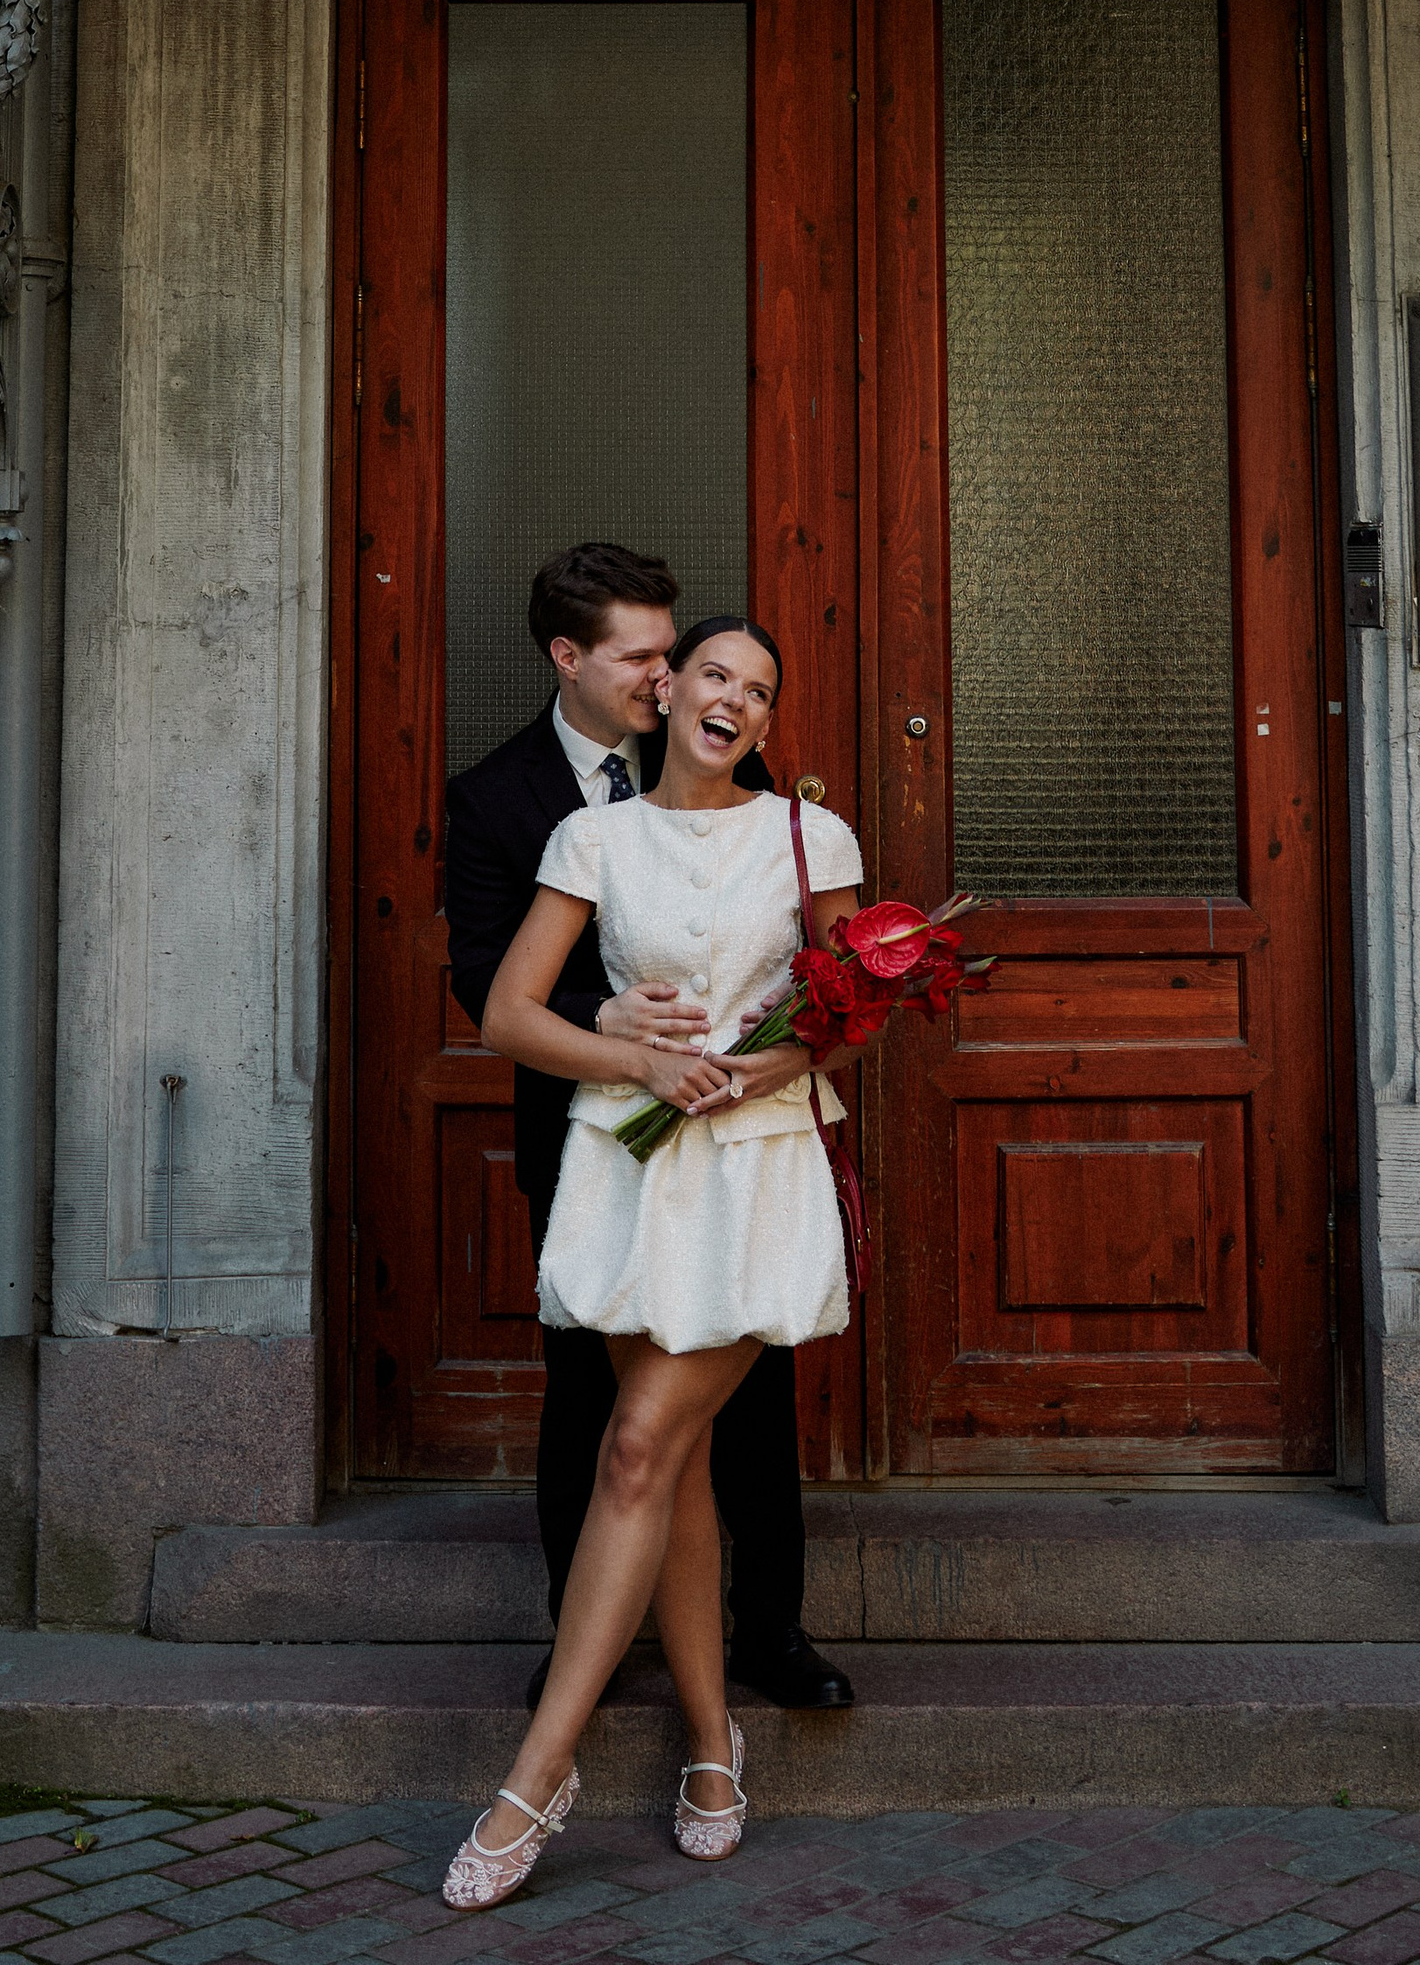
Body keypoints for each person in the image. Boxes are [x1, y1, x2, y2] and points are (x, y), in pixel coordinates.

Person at [441, 611, 864, 1910]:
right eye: (717, 674)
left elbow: (847, 1016)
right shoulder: (593, 839)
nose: (738, 699)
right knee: (665, 1465)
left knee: (635, 1448)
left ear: (767, 721)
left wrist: (753, 1073)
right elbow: (510, 1013)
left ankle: (536, 1778)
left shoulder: (812, 835)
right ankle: (712, 1746)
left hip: (756, 1171)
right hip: (626, 1176)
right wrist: (639, 1060)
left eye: (762, 690)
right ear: (670, 690)